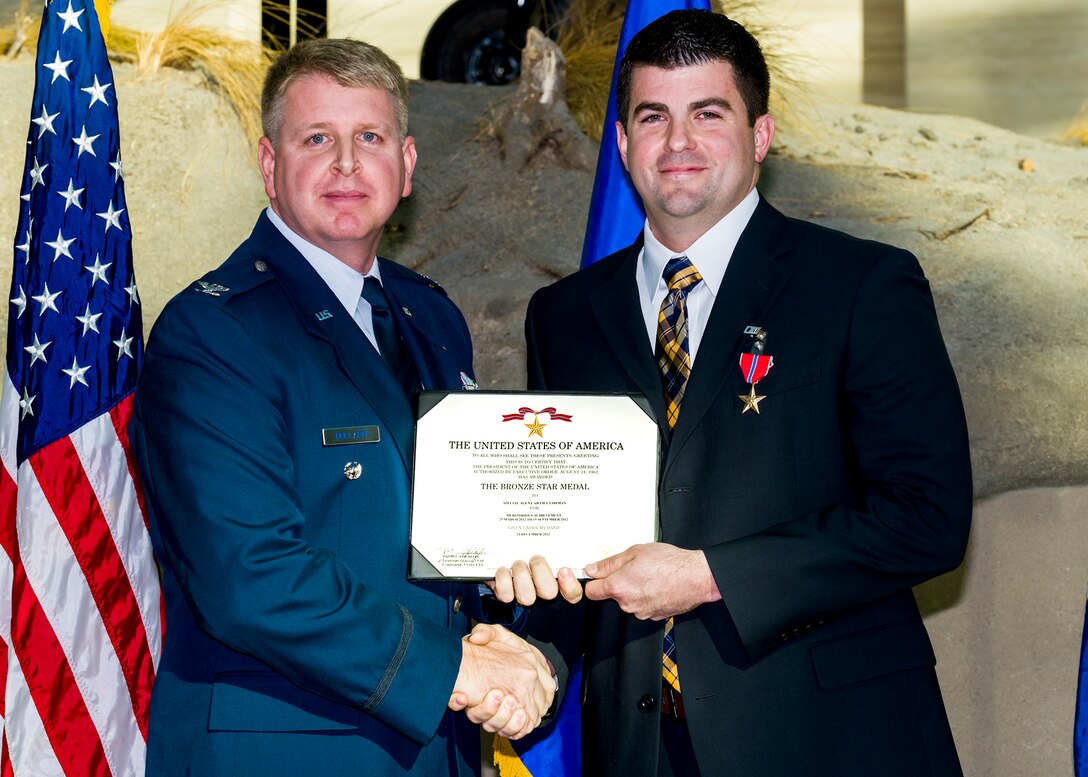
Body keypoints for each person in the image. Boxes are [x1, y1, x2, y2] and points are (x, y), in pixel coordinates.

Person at [498, 9, 972, 777]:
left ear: (759, 137)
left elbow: (927, 518)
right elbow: (577, 534)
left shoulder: (861, 286)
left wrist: (708, 574)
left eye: (707, 115)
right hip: (640, 747)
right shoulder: (564, 316)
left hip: (830, 738)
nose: (678, 143)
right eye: (653, 117)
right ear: (623, 144)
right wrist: (528, 650)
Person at [132, 38, 554, 776]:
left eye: (370, 137)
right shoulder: (213, 331)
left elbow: (452, 528)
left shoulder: (431, 317)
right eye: (317, 138)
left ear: (408, 163)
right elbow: (249, 575)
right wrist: (459, 670)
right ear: (270, 165)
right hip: (283, 750)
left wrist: (517, 616)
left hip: (434, 750)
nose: (348, 164)